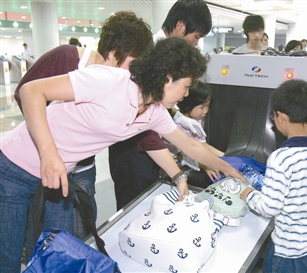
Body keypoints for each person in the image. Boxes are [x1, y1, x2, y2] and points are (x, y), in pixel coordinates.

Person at [0, 37, 245, 273]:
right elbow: (32, 91)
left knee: (55, 252)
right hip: (13, 169)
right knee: (8, 256)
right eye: (186, 86)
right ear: (168, 79)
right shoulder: (110, 81)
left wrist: (228, 169)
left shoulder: (154, 112)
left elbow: (191, 147)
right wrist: (50, 155)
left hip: (58, 179)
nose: (186, 94)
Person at [13, 11, 154, 246]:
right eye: (132, 63)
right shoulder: (65, 59)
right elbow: (25, 93)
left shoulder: (125, 82)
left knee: (81, 235)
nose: (133, 72)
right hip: (45, 162)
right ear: (113, 53)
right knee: (43, 235)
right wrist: (48, 141)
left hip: (83, 168)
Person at [109, 0, 213, 211]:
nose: (196, 43)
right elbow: (138, 107)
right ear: (180, 26)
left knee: (150, 199)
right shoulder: (147, 52)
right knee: (133, 204)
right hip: (131, 146)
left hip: (152, 141)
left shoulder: (172, 53)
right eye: (197, 36)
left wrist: (175, 115)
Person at [239, 79, 307, 273]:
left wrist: (249, 194)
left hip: (290, 251)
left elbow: (270, 207)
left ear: (280, 117)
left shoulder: (281, 158)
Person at [166, 81, 225, 182]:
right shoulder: (177, 124)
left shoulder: (196, 120)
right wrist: (206, 165)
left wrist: (226, 158)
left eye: (207, 106)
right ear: (189, 105)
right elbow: (182, 153)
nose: (206, 111)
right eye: (202, 107)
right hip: (169, 166)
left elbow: (203, 145)